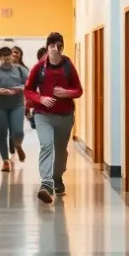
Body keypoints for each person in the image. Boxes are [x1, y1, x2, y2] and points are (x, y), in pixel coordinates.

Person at [23, 33, 83, 204]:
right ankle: (46, 184)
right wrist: (40, 98)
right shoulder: (39, 67)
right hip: (43, 115)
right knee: (46, 145)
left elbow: (78, 90)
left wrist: (66, 93)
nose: (56, 49)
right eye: (52, 46)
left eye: (59, 46)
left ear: (62, 47)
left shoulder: (68, 66)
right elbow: (28, 90)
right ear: (47, 47)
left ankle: (57, 178)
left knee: (61, 151)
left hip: (65, 116)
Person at [0, 46, 28, 172]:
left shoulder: (20, 70)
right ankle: (5, 161)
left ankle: (17, 145)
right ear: (0, 58)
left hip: (17, 105)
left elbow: (29, 84)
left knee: (17, 131)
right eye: (5, 59)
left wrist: (18, 88)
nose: (7, 61)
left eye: (9, 59)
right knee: (3, 133)